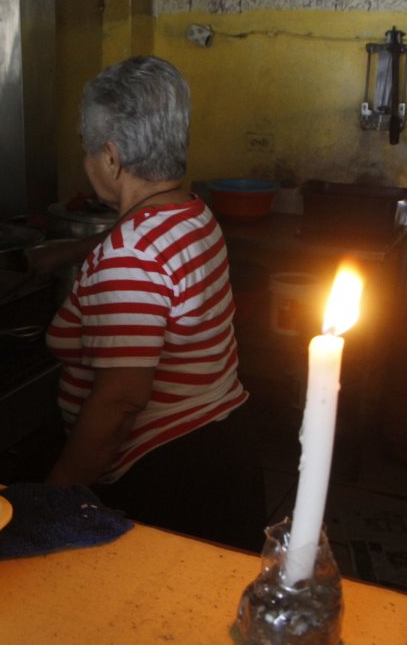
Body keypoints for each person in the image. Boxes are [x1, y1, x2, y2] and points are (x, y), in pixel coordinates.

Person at [40, 55, 265, 551]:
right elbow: (144, 247)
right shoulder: (192, 211)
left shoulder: (130, 255)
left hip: (168, 478)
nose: (87, 162)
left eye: (88, 150)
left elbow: (120, 400)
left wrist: (52, 498)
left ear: (113, 158)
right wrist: (72, 252)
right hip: (222, 449)